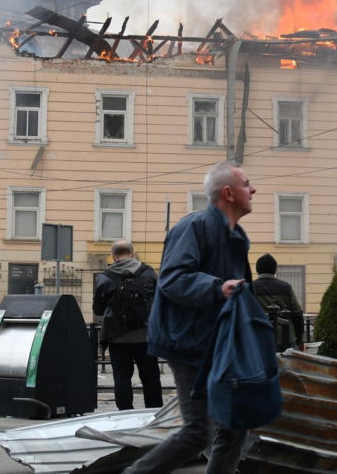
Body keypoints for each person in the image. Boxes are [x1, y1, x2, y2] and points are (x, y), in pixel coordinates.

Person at [123, 161, 255, 474]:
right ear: (228, 192)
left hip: (217, 345)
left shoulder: (236, 236)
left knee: (236, 424)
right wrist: (217, 287)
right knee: (198, 432)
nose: (253, 189)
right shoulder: (194, 227)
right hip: (189, 343)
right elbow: (172, 278)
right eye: (246, 183)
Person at [93, 239, 164, 410]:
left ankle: (125, 414)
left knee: (122, 378)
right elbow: (160, 302)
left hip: (117, 339)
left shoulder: (104, 277)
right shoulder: (148, 273)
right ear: (133, 253)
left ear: (113, 255)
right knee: (151, 377)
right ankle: (154, 413)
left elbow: (98, 310)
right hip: (145, 336)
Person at [251, 253, 305, 352]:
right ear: (275, 269)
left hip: (259, 338)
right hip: (286, 338)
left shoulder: (250, 288)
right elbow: (297, 313)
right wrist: (300, 341)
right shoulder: (286, 287)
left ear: (257, 270)